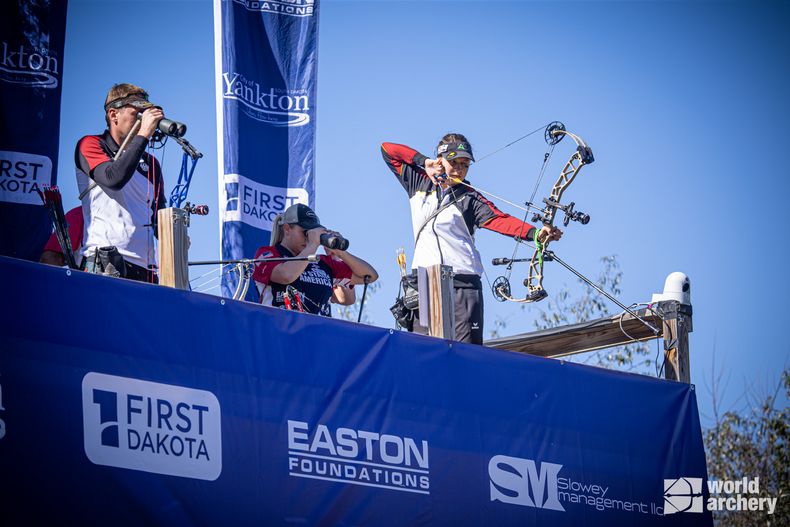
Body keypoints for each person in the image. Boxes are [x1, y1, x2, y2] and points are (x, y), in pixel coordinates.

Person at [381, 134, 562, 345]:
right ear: (440, 160)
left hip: (462, 283)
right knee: (423, 352)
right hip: (424, 282)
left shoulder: (470, 197)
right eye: (453, 162)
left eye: (465, 164)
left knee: (465, 352)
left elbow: (499, 219)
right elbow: (387, 149)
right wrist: (425, 162)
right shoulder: (418, 182)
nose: (459, 169)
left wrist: (534, 234)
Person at [75, 83, 166, 283]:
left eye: (146, 114)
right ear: (113, 115)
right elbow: (113, 179)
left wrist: (177, 232)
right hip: (105, 262)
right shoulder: (91, 143)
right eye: (137, 113)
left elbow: (159, 217)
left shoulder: (152, 164)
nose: (143, 120)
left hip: (146, 270)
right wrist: (143, 134)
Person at [252, 203, 379, 317]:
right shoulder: (268, 253)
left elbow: (369, 276)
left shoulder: (323, 263)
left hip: (318, 336)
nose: (308, 238)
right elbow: (286, 275)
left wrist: (341, 253)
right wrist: (313, 244)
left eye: (311, 233)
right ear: (287, 229)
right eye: (305, 232)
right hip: (280, 333)